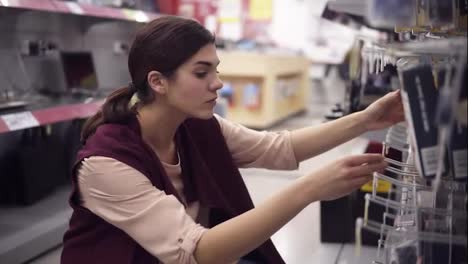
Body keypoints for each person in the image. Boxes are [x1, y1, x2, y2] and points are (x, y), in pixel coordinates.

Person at [61, 16, 405, 264]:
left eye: (216, 69)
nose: (217, 83)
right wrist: (310, 189)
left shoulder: (195, 127)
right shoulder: (105, 164)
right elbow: (196, 252)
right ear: (158, 82)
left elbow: (277, 148)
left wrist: (366, 120)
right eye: (201, 73)